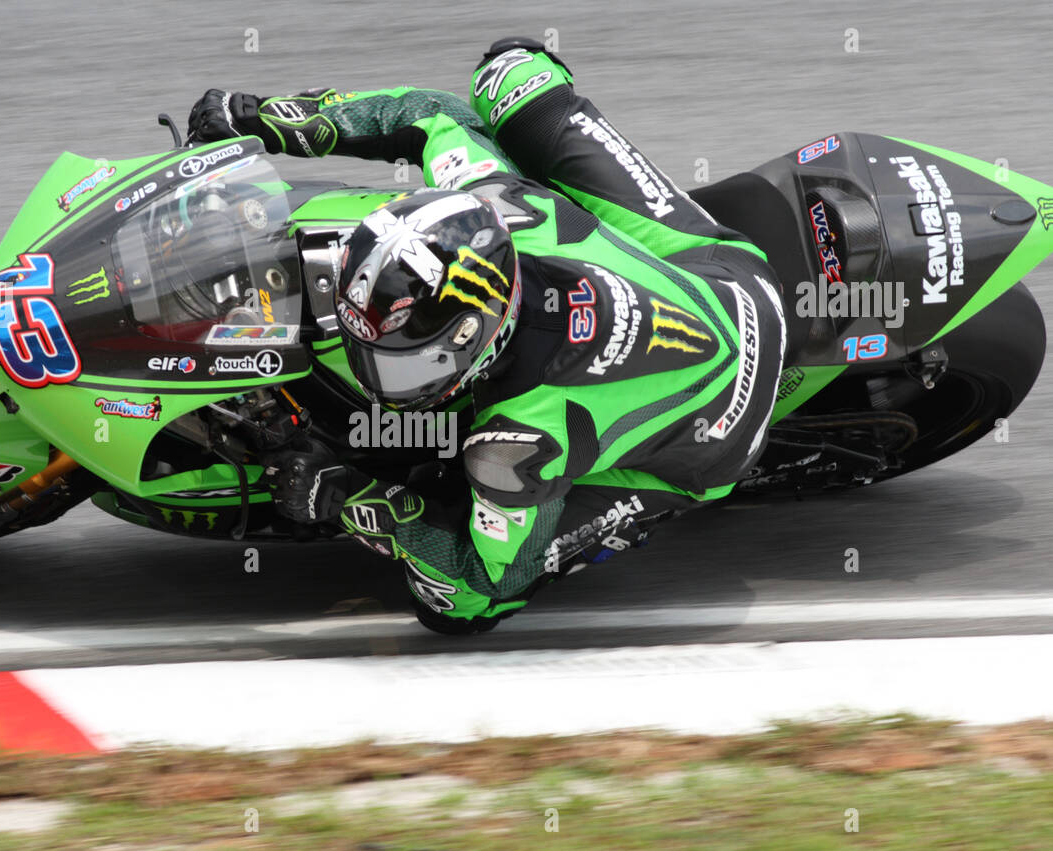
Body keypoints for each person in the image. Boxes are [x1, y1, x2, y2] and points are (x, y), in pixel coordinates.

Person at [187, 37, 787, 634]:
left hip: (718, 434)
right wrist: (283, 121)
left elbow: (477, 589)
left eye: (396, 360)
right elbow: (426, 115)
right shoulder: (497, 201)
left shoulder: (515, 442)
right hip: (720, 275)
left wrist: (346, 498)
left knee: (447, 604)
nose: (369, 368)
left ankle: (656, 479)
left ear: (473, 339)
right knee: (511, 71)